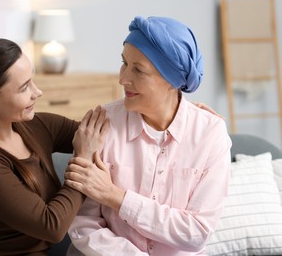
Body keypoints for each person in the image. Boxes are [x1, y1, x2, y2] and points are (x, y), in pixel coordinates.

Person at [65, 16, 232, 255]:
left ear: (172, 81)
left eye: (138, 70)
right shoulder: (101, 126)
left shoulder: (209, 134)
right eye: (124, 63)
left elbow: (196, 233)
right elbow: (84, 226)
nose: (123, 79)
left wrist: (115, 196)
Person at [0, 37, 110, 255]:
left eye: (32, 81)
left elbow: (100, 135)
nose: (38, 92)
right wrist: (83, 158)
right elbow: (51, 226)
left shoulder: (35, 126)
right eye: (24, 87)